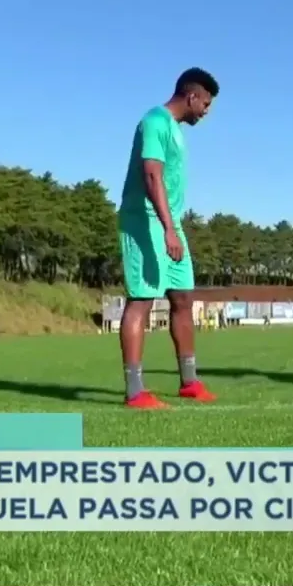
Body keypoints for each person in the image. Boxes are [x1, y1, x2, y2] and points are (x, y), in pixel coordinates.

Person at [117, 68, 220, 409]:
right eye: (205, 103)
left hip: (168, 223)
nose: (206, 111)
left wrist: (173, 225)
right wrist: (168, 228)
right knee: (141, 301)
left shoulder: (174, 130)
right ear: (191, 97)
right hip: (145, 222)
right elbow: (151, 175)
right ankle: (135, 392)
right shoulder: (155, 122)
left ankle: (189, 382)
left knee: (182, 299)